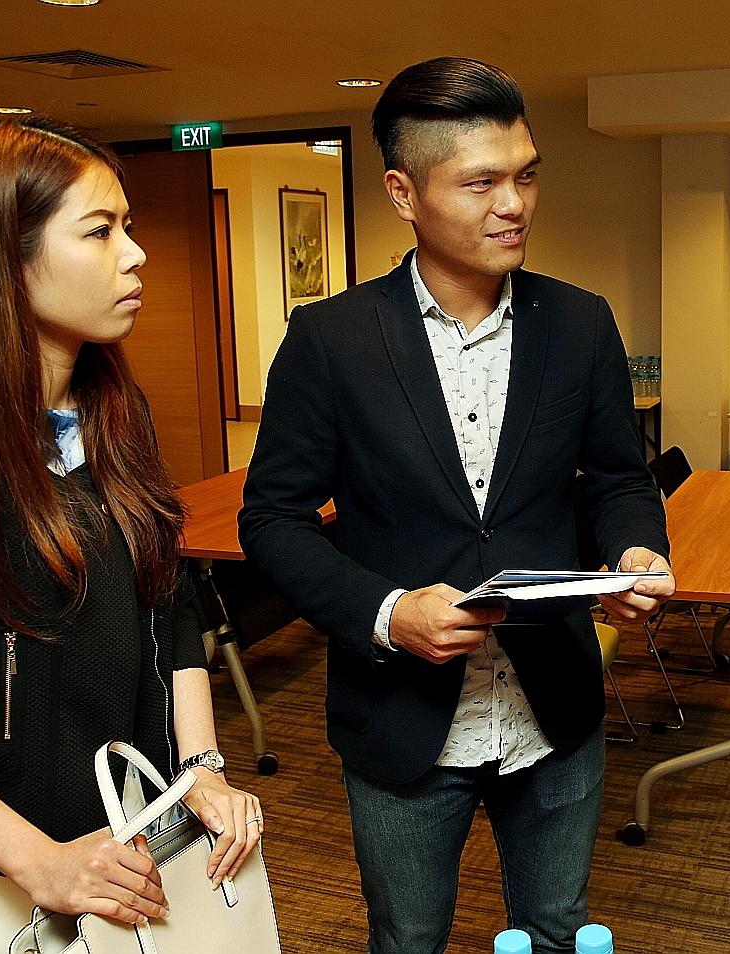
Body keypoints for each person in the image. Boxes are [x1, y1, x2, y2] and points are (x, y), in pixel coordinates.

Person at [239, 57, 672, 954]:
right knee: (408, 940)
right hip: (401, 720)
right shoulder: (333, 341)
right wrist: (389, 613)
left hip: (553, 711)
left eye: (526, 174)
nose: (513, 203)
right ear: (403, 191)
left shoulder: (581, 322)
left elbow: (620, 480)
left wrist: (633, 552)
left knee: (554, 930)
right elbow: (272, 521)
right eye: (481, 182)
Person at [0, 116, 263, 953]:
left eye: (128, 228)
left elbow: (169, 612)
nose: (135, 254)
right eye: (100, 232)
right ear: (6, 255)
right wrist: (42, 863)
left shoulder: (117, 411)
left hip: (133, 845)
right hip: (4, 876)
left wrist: (200, 773)